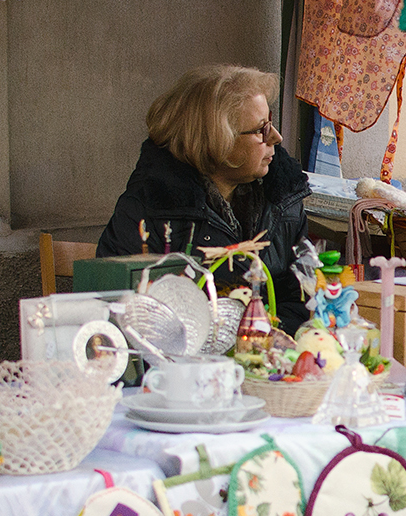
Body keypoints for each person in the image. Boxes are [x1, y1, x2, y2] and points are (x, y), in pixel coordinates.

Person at [98, 64, 313, 330]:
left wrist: (264, 342)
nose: (276, 138)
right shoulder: (147, 210)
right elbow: (122, 316)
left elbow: (302, 297)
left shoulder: (283, 198)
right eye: (261, 129)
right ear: (217, 141)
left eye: (271, 123)